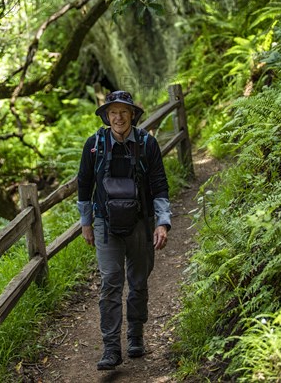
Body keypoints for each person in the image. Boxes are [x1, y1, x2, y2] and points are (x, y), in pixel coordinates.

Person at [77, 90, 171, 371]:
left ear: (132, 115)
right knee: (110, 284)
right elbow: (84, 184)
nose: (118, 117)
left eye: (124, 112)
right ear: (107, 116)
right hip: (106, 225)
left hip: (141, 223)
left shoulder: (147, 144)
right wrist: (86, 222)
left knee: (139, 282)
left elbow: (159, 184)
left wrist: (162, 222)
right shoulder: (94, 145)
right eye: (113, 112)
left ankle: (135, 336)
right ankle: (110, 348)